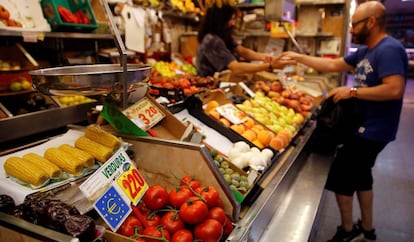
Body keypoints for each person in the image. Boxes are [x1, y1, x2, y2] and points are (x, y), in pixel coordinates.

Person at [282, 1, 408, 242]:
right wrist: (299, 57)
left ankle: (348, 232)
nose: (350, 30)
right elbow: (332, 64)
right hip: (364, 126)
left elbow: (394, 89)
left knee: (341, 179)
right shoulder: (366, 51)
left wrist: (352, 92)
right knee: (362, 176)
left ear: (371, 22)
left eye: (354, 25)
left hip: (373, 130)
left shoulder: (388, 49)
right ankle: (368, 230)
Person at [195, 4, 294, 77]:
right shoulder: (213, 41)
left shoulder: (222, 35)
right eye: (231, 19)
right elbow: (236, 68)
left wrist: (268, 58)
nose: (233, 23)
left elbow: (243, 51)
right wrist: (270, 65)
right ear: (220, 20)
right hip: (210, 87)